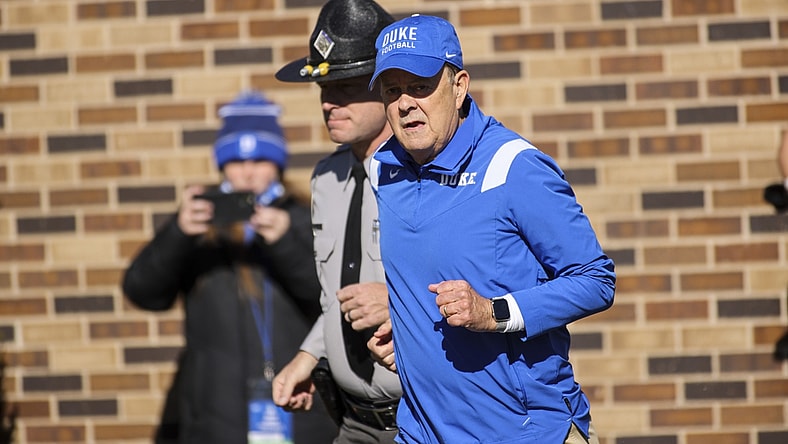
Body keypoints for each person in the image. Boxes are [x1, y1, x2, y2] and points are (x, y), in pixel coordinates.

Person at [366, 14, 617, 443]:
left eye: (421, 86)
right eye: (393, 90)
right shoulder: (383, 168)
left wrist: (494, 313)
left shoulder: (514, 166)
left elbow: (596, 281)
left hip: (522, 431)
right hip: (420, 431)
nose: (406, 102)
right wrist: (409, 336)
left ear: (459, 86)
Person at [122, 91, 338, 444]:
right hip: (215, 422)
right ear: (221, 165)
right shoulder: (201, 228)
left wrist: (286, 244)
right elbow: (142, 293)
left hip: (302, 413)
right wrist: (178, 233)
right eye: (236, 161)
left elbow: (329, 302)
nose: (248, 173)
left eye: (260, 160)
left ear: (279, 164)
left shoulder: (305, 218)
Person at [271, 0, 403, 442]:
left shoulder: (435, 177)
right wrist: (309, 355)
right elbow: (338, 295)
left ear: (387, 85)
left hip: (422, 421)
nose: (329, 102)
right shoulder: (326, 178)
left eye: (345, 85)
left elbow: (492, 287)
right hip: (353, 422)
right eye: (322, 88)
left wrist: (399, 302)